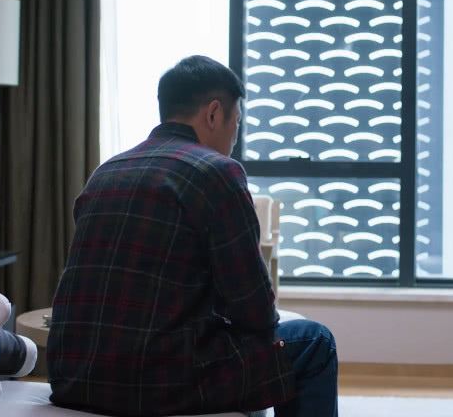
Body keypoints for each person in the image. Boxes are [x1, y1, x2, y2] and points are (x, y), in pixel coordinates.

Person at [47, 55, 338, 417]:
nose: (234, 139)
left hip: (74, 377)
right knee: (314, 341)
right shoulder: (217, 171)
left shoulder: (107, 171)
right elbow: (254, 309)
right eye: (237, 123)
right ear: (214, 113)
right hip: (156, 383)